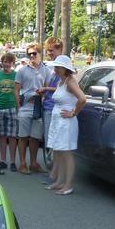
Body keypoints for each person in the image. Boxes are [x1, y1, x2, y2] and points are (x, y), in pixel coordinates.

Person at [44, 55, 86, 195]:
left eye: (58, 67)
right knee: (59, 152)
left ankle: (68, 185)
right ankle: (59, 182)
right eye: (55, 67)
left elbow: (82, 98)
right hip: (58, 121)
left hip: (66, 122)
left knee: (66, 153)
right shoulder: (61, 82)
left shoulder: (70, 82)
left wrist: (74, 113)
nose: (55, 69)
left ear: (65, 69)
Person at [14, 43, 50, 174]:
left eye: (34, 53)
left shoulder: (46, 70)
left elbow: (47, 88)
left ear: (40, 54)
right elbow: (16, 90)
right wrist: (19, 107)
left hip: (38, 108)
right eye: (29, 54)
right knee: (23, 136)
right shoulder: (22, 70)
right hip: (25, 108)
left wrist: (43, 96)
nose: (32, 56)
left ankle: (33, 163)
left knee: (35, 138)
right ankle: (22, 164)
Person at [39, 37, 64, 184]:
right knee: (50, 141)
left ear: (59, 49)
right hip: (48, 106)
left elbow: (66, 87)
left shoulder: (62, 68)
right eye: (48, 50)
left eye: (51, 50)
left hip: (55, 108)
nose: (49, 53)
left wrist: (46, 89)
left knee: (54, 142)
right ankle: (53, 173)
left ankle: (55, 176)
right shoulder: (53, 67)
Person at [0, 53, 18, 172]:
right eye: (4, 61)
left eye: (9, 62)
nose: (6, 64)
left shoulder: (16, 75)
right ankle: (3, 160)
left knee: (12, 136)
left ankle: (12, 161)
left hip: (12, 107)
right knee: (1, 136)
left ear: (12, 63)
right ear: (2, 62)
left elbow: (20, 90)